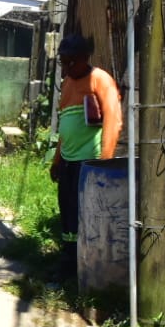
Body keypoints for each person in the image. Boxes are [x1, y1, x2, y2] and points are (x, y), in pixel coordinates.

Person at [50, 33, 123, 243]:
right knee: (67, 210)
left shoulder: (100, 79)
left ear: (83, 58)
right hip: (67, 161)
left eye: (69, 63)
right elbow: (65, 126)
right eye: (62, 63)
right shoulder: (67, 84)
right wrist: (57, 161)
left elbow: (113, 120)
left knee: (86, 211)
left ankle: (85, 260)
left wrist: (104, 161)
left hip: (88, 161)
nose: (65, 69)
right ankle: (68, 258)